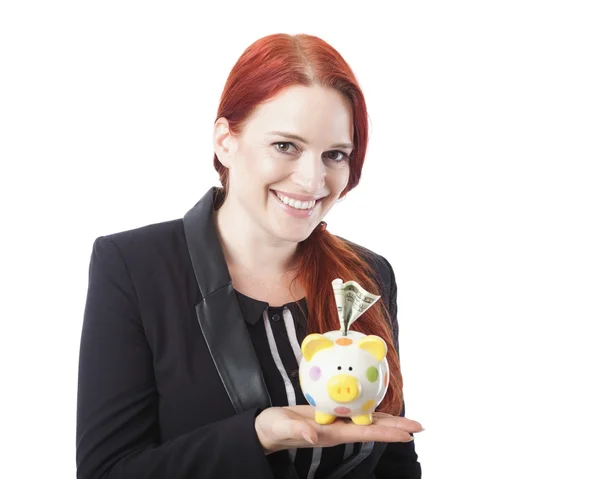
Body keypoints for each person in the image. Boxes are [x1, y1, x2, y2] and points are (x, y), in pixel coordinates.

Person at [76, 33, 423, 479]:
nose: (312, 180)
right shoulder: (133, 266)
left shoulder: (367, 276)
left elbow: (394, 460)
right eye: (286, 146)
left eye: (335, 154)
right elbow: (107, 472)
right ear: (226, 141)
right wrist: (258, 434)